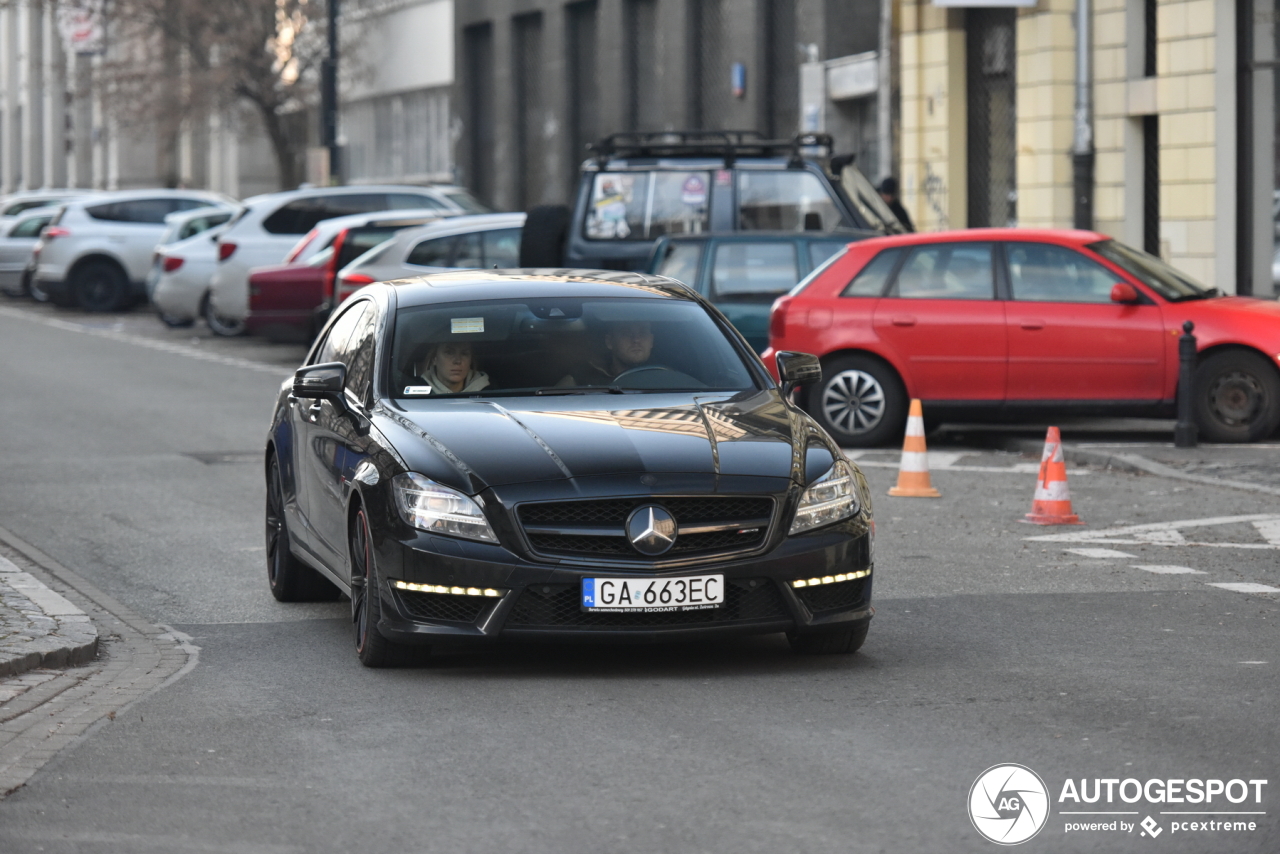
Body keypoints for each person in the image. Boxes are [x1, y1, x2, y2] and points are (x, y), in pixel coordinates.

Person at [558, 321, 655, 386]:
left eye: (643, 333)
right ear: (609, 342)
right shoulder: (582, 379)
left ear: (651, 341)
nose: (636, 339)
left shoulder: (666, 380)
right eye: (626, 333)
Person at [415, 341, 490, 393]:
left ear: (470, 360)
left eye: (464, 354)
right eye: (449, 352)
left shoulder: (490, 393)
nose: (457, 361)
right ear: (434, 359)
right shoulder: (414, 394)